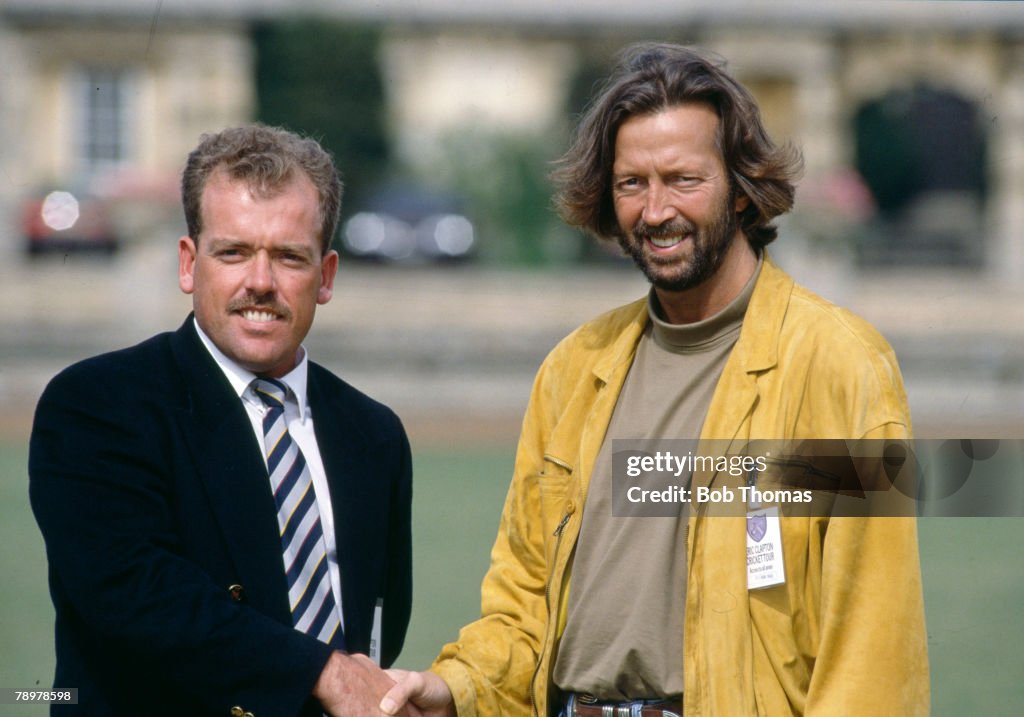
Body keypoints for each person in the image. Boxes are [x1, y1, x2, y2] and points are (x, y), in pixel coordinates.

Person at [381, 44, 929, 716]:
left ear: (741, 185)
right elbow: (523, 608)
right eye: (632, 183)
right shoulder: (574, 369)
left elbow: (870, 649)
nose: (656, 209)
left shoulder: (840, 367)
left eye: (684, 179)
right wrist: (453, 687)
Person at [30, 125, 416, 716]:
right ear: (189, 264)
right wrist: (322, 673)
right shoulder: (97, 404)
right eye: (233, 252)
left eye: (289, 257)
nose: (260, 282)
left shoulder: (375, 435)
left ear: (328, 275)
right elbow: (136, 597)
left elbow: (378, 631)